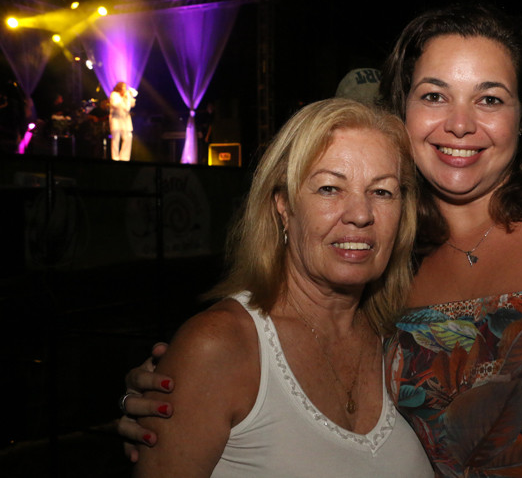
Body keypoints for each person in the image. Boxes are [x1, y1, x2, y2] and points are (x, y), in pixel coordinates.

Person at [118, 3, 522, 476]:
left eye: (490, 98)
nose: (459, 124)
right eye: (434, 95)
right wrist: (184, 394)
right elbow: (294, 367)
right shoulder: (384, 262)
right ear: (403, 110)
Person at [129, 98, 432, 476]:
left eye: (382, 192)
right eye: (329, 188)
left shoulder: (405, 341)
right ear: (283, 206)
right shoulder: (219, 346)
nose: (360, 214)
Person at [109, 81, 136, 161]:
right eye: (123, 87)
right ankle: (115, 157)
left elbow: (131, 105)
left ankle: (124, 157)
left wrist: (130, 97)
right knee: (115, 139)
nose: (124, 89)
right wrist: (122, 98)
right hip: (116, 119)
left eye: (125, 87)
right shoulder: (114, 95)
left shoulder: (126, 95)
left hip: (125, 120)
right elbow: (115, 104)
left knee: (128, 137)